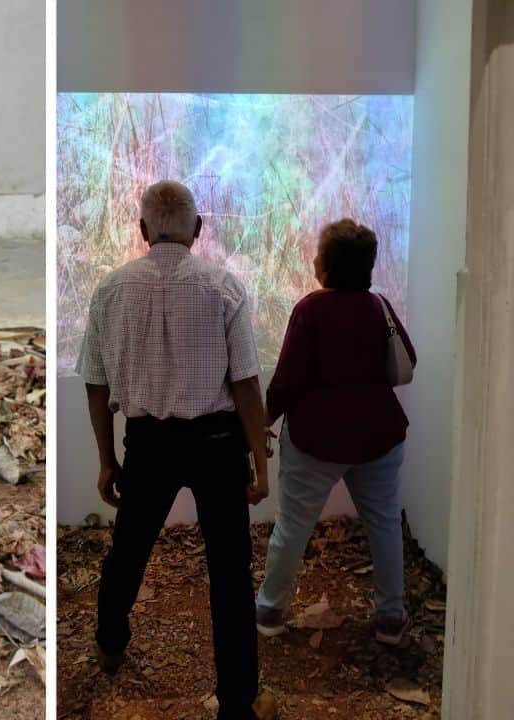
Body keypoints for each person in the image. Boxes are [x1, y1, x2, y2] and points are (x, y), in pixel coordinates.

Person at [82, 180, 277, 720]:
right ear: (198, 228)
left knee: (129, 550)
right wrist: (261, 464)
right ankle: (238, 701)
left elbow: (95, 384)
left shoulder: (110, 289)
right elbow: (246, 386)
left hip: (147, 445)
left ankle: (110, 640)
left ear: (142, 230)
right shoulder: (225, 288)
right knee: (231, 573)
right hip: (216, 444)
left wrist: (105, 459)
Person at [254, 218, 416, 646]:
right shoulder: (379, 305)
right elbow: (407, 360)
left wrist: (261, 424)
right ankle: (389, 618)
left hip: (315, 440)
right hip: (379, 435)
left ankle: (270, 610)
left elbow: (287, 381)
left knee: (292, 526)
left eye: (317, 253)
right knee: (383, 524)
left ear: (326, 265)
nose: (312, 258)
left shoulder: (310, 310)